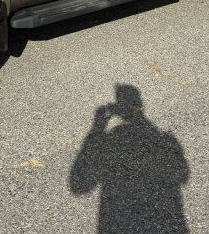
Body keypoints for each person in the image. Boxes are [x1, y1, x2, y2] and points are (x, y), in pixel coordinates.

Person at [69, 84, 190, 233]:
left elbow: (79, 185)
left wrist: (98, 126)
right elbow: (183, 174)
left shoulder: (113, 139)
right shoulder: (163, 139)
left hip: (118, 221)